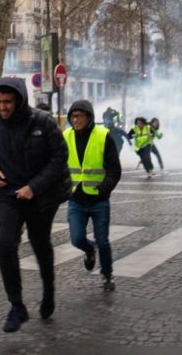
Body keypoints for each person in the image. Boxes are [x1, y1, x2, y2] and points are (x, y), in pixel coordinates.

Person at [0, 77, 71, 333]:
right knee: (4, 243)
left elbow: (60, 157)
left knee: (40, 242)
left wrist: (34, 187)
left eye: (7, 102)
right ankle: (17, 306)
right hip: (6, 192)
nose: (2, 107)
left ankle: (48, 290)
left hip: (41, 194)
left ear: (19, 100)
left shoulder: (41, 121)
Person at [64, 100, 121, 291]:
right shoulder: (66, 136)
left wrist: (104, 189)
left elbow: (114, 169)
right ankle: (89, 250)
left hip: (98, 200)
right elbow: (58, 165)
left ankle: (107, 275)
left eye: (79, 116)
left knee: (103, 240)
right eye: (72, 116)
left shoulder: (103, 136)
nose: (75, 119)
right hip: (76, 200)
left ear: (89, 117)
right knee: (76, 239)